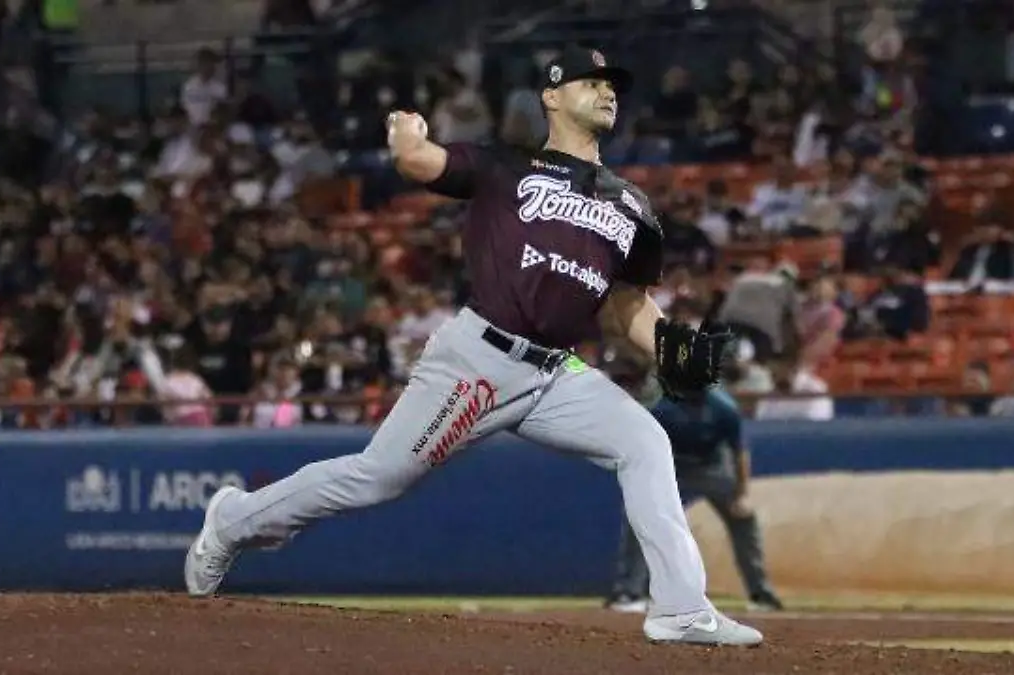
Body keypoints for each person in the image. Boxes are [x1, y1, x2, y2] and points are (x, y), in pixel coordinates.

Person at [183, 45, 762, 647]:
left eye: (610, 84)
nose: (606, 91)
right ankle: (233, 519)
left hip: (556, 374)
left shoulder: (633, 206)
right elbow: (419, 161)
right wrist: (406, 133)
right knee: (376, 478)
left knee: (645, 441)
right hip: (480, 360)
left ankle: (679, 607)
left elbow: (625, 306)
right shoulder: (506, 166)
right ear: (551, 96)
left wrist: (668, 344)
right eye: (589, 81)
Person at [603, 354, 783, 614]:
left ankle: (761, 593)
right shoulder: (663, 408)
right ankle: (629, 592)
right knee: (640, 517)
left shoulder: (723, 407)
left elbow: (739, 452)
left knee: (744, 518)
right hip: (672, 466)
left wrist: (742, 494)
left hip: (712, 467)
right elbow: (645, 446)